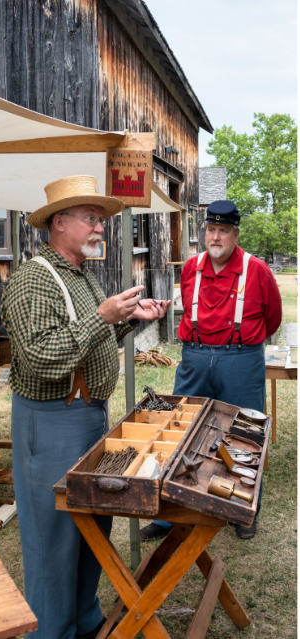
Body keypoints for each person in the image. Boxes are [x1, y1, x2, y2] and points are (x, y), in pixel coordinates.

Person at [1, 174, 170, 639]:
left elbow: (89, 346)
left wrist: (126, 322)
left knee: (92, 526)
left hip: (87, 416)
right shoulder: (33, 279)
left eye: (101, 221)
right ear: (60, 223)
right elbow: (40, 358)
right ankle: (52, 631)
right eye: (92, 219)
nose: (101, 229)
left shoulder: (82, 277)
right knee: (53, 539)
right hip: (51, 421)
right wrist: (102, 317)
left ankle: (85, 621)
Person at [140, 199, 282, 542]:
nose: (215, 237)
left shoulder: (256, 269)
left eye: (222, 231)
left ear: (235, 234)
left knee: (246, 432)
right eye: (210, 230)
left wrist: (241, 345)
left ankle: (243, 510)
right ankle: (171, 515)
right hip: (196, 357)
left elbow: (273, 318)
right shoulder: (192, 268)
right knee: (182, 426)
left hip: (241, 359)